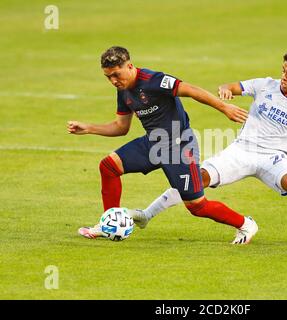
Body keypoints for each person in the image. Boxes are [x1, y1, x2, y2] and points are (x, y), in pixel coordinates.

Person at [130, 51, 287, 246]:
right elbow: (232, 86)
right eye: (283, 70)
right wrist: (225, 90)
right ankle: (146, 215)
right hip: (241, 151)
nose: (284, 76)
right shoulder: (265, 85)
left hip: (273, 158)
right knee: (195, 179)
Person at [68, 46, 258, 244]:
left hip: (179, 147)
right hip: (154, 143)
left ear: (130, 66)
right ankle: (108, 224)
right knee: (108, 166)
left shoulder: (154, 80)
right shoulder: (123, 90)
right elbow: (121, 127)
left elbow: (191, 90)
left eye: (116, 74)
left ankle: (245, 224)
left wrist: (224, 107)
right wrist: (89, 128)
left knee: (197, 206)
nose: (113, 81)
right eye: (108, 77)